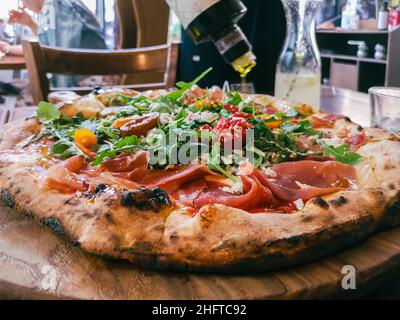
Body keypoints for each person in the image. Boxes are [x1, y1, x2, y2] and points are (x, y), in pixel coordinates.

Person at [0, 0, 107, 86]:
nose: (23, 5)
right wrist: (30, 23)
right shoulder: (53, 5)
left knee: (23, 99)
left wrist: (61, 95)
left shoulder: (54, 5)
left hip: (92, 82)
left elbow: (60, 56)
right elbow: (47, 44)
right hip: (95, 74)